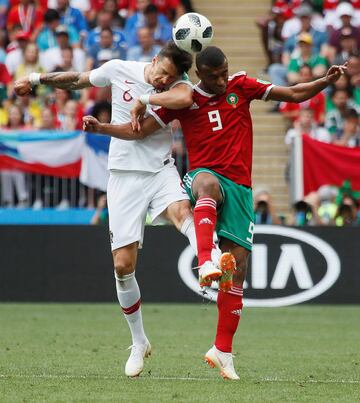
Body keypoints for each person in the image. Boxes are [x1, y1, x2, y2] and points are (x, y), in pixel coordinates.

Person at [84, 46, 347, 380]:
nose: (222, 79)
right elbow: (141, 131)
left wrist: (326, 80)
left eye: (224, 72)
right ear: (199, 76)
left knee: (237, 271)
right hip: (204, 175)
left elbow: (293, 94)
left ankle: (222, 350)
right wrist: (104, 128)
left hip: (241, 188)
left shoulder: (241, 85)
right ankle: (206, 258)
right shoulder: (186, 100)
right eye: (214, 76)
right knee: (205, 184)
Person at [14, 41, 229, 378]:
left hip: (159, 169)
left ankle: (210, 259)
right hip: (123, 178)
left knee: (182, 212)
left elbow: (185, 98)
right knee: (122, 266)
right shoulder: (119, 69)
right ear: (154, 60)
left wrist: (145, 98)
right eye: (161, 74)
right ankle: (139, 341)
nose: (162, 82)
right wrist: (39, 78)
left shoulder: (177, 87)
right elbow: (79, 79)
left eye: (169, 78)